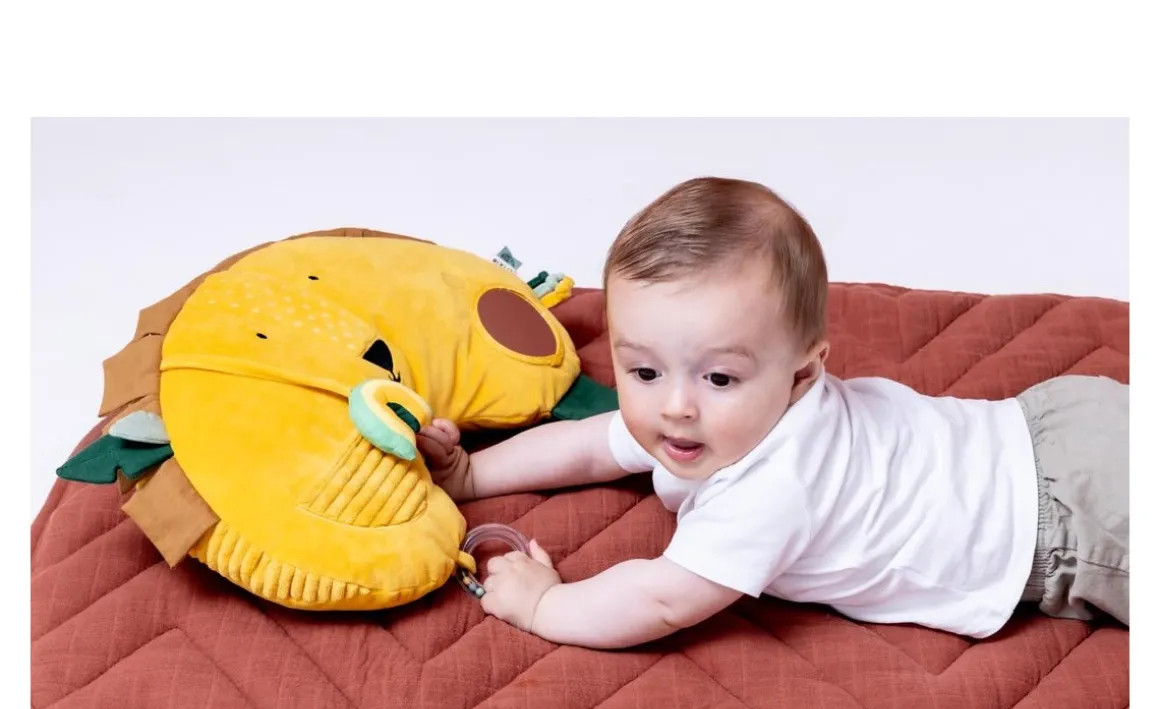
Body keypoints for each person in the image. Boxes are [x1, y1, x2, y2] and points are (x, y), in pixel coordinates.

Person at [417, 176, 1129, 649]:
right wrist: (471, 474)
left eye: (720, 376)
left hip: (1071, 522)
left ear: (803, 373)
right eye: (643, 371)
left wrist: (545, 606)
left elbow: (661, 600)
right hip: (1051, 424)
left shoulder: (772, 487)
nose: (675, 406)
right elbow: (586, 445)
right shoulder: (705, 418)